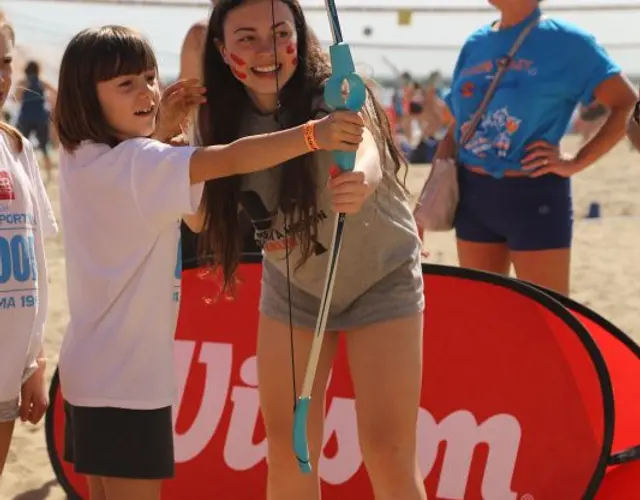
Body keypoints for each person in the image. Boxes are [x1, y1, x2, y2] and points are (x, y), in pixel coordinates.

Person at [52, 24, 363, 500]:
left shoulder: (82, 157)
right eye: (126, 84)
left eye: (151, 77)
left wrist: (165, 135)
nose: (149, 92)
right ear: (85, 97)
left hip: (87, 375)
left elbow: (195, 218)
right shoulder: (139, 164)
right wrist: (312, 135)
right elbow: (231, 158)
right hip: (128, 385)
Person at [193, 1, 426, 499]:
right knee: (289, 448)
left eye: (280, 33)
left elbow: (364, 145)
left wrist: (362, 174)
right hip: (293, 289)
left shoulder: (335, 90)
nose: (266, 51)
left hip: (380, 277)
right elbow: (197, 209)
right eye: (246, 38)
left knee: (388, 451)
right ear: (221, 48)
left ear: (300, 33)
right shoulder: (220, 119)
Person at [435, 0, 636, 295]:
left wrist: (577, 161)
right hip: (473, 196)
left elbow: (626, 103)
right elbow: (459, 126)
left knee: (548, 319)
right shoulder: (476, 43)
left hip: (534, 197)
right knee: (484, 315)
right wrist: (429, 196)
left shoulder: (567, 42)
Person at [0, 22, 56, 476]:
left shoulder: (17, 149)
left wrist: (34, 361)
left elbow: (36, 258)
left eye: (3, 63)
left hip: (7, 372)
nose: (1, 78)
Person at [14, 60, 57, 183]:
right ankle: (49, 175)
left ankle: (19, 174)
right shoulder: (42, 82)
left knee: (19, 147)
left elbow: (16, 98)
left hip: (25, 118)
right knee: (44, 147)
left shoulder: (23, 82)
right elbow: (56, 92)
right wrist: (49, 103)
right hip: (41, 118)